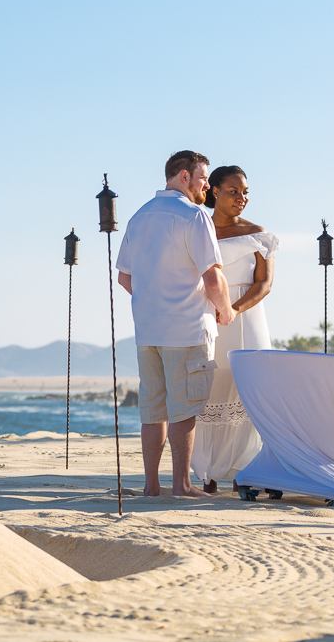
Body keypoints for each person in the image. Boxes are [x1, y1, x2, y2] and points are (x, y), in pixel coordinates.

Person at [117, 150, 237, 498]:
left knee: (153, 410)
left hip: (147, 330)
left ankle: (151, 486)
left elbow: (125, 278)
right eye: (202, 180)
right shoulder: (194, 215)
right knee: (183, 409)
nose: (206, 188)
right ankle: (182, 486)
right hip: (186, 329)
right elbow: (212, 277)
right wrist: (225, 311)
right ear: (183, 177)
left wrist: (154, 299)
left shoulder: (138, 217)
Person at [191, 166, 278, 493]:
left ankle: (249, 470)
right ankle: (208, 473)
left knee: (250, 392)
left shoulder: (258, 233)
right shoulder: (198, 229)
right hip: (204, 317)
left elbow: (264, 284)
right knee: (210, 390)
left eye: (245, 192)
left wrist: (231, 310)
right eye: (233, 191)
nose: (241, 198)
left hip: (246, 319)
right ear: (214, 190)